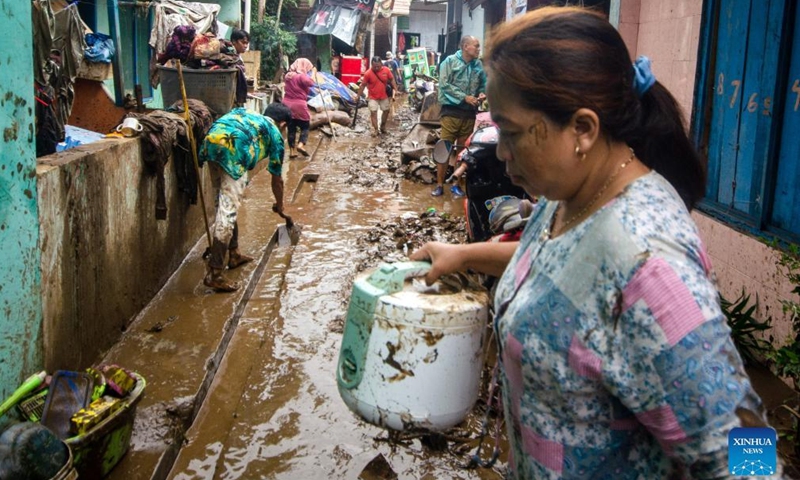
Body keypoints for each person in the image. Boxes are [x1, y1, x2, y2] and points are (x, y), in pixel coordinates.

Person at [411, 7, 774, 478]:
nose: (500, 154)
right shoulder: (571, 192)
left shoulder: (651, 265)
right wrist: (461, 254)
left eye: (512, 133)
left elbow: (746, 445)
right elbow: (560, 262)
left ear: (582, 129)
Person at [199, 103, 292, 292]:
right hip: (234, 150)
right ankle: (215, 273)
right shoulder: (275, 133)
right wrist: (280, 205)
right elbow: (277, 180)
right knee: (228, 209)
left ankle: (234, 254)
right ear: (282, 124)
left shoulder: (247, 113)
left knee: (225, 201)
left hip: (211, 142)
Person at [432, 35, 486, 197]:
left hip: (469, 114)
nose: (478, 49)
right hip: (451, 112)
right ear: (465, 47)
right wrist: (464, 97)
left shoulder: (478, 65)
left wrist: (482, 93)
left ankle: (456, 184)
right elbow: (444, 85)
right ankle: (439, 185)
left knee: (462, 151)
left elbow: (483, 84)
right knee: (445, 148)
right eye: (476, 46)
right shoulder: (449, 62)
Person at [356, 56, 398, 137]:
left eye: (378, 66)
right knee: (373, 112)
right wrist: (358, 95)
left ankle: (383, 127)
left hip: (384, 96)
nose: (376, 68)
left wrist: (395, 89)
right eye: (375, 66)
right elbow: (362, 85)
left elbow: (392, 79)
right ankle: (375, 129)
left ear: (381, 64)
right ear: (372, 64)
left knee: (386, 111)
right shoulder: (368, 73)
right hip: (372, 97)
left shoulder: (386, 70)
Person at [282, 58, 316, 158]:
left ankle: (292, 151)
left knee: (291, 128)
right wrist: (314, 72)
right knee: (305, 126)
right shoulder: (301, 76)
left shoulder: (288, 76)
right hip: (299, 105)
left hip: (287, 105)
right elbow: (311, 82)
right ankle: (301, 145)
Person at [229, 29, 250, 106]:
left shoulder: (238, 57)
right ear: (234, 41)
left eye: (247, 43)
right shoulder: (229, 56)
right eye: (243, 42)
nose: (245, 46)